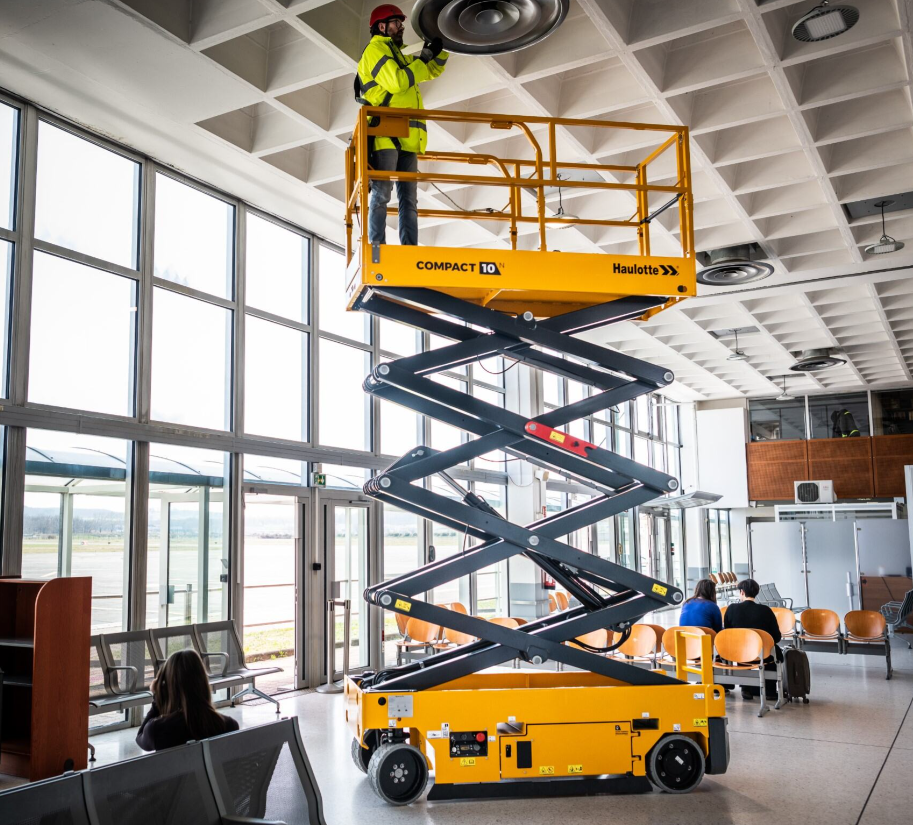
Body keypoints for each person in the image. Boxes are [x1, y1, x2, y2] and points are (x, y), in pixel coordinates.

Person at [356, 4, 448, 246]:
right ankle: (377, 246)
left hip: (407, 136)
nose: (401, 27)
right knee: (382, 194)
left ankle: (409, 249)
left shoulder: (399, 55)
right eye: (396, 22)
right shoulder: (375, 51)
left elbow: (430, 71)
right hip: (384, 133)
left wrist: (442, 48)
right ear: (381, 26)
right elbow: (398, 82)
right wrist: (424, 58)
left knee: (409, 199)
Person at [136, 649, 239, 751]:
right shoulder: (230, 725)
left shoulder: (157, 730)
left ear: (168, 687)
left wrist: (156, 698)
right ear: (203, 683)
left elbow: (140, 738)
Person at [723, 578, 782, 701]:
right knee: (772, 650)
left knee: (741, 644)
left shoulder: (731, 609)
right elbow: (776, 637)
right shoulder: (766, 610)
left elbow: (728, 634)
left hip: (737, 654)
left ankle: (746, 688)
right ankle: (770, 690)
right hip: (762, 654)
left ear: (742, 592)